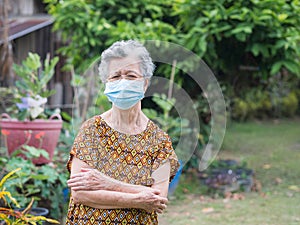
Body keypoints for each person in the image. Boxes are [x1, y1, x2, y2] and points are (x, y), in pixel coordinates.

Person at [65, 40, 180, 225]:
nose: (123, 82)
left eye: (131, 75)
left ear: (145, 84)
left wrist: (107, 184)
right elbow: (80, 194)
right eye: (116, 76)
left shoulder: (160, 141)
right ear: (106, 83)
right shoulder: (92, 130)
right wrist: (139, 198)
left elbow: (158, 199)